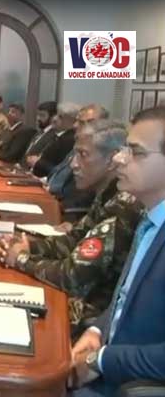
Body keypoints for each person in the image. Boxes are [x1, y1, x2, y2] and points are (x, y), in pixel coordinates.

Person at [0, 120, 141, 337]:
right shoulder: (108, 194)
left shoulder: (125, 205)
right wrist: (30, 247)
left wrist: (22, 259)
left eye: (82, 155)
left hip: (91, 323)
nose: (73, 164)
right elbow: (74, 239)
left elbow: (73, 276)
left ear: (111, 160)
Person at [70, 107, 165, 396]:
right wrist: (97, 330)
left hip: (126, 384)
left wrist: (100, 360)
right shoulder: (149, 219)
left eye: (135, 152)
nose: (119, 159)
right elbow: (125, 298)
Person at [47, 104, 109, 214]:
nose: (75, 125)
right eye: (78, 121)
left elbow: (84, 197)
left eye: (84, 122)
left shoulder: (102, 151)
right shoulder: (76, 144)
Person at [28, 102, 80, 177]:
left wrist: (38, 163)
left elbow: (61, 170)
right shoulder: (58, 136)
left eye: (60, 117)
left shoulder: (70, 140)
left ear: (72, 120)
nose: (54, 119)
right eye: (56, 115)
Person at [22, 100, 59, 166]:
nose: (38, 118)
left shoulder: (53, 136)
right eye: (38, 115)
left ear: (53, 117)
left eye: (42, 115)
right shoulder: (39, 133)